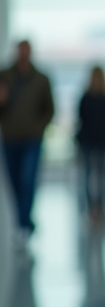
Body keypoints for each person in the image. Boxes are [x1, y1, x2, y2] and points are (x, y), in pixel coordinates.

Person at [0, 40, 55, 242]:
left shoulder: (41, 79)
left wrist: (39, 128)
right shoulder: (5, 76)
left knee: (27, 179)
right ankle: (22, 220)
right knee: (14, 182)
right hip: (10, 137)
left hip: (32, 139)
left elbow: (49, 109)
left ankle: (23, 224)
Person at [75, 66, 105, 223]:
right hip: (104, 139)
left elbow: (80, 115)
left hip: (87, 139)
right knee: (104, 174)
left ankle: (91, 207)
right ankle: (100, 206)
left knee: (87, 174)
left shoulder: (86, 97)